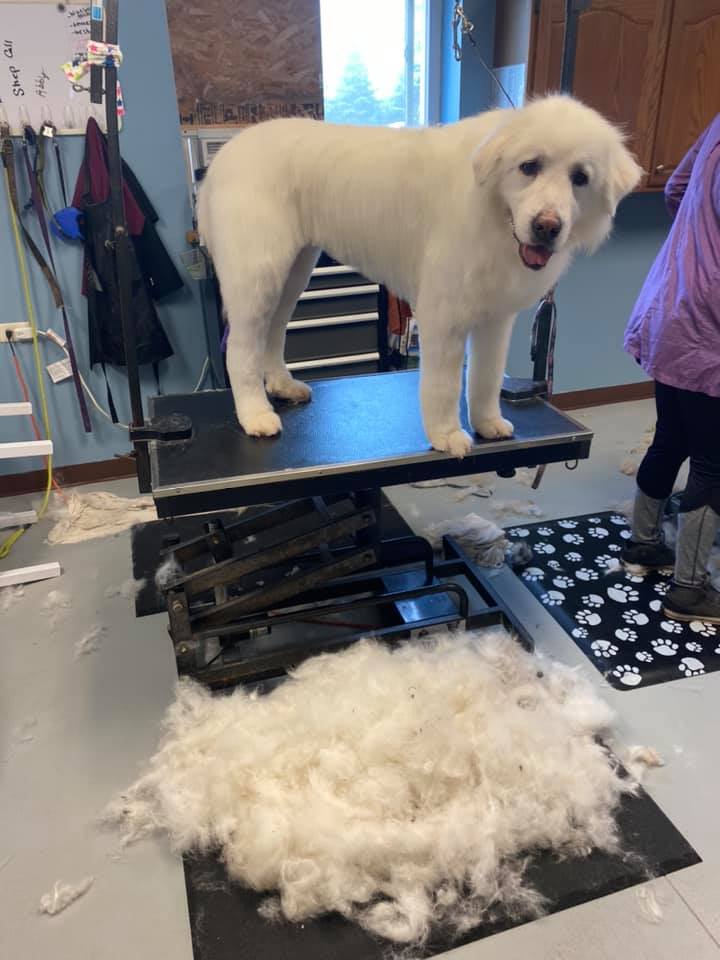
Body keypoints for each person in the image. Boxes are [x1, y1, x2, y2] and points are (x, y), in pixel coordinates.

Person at [622, 114, 720, 623]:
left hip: (672, 302)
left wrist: (698, 248)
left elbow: (677, 188)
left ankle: (644, 544)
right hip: (709, 327)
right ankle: (689, 589)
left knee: (672, 438)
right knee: (713, 464)